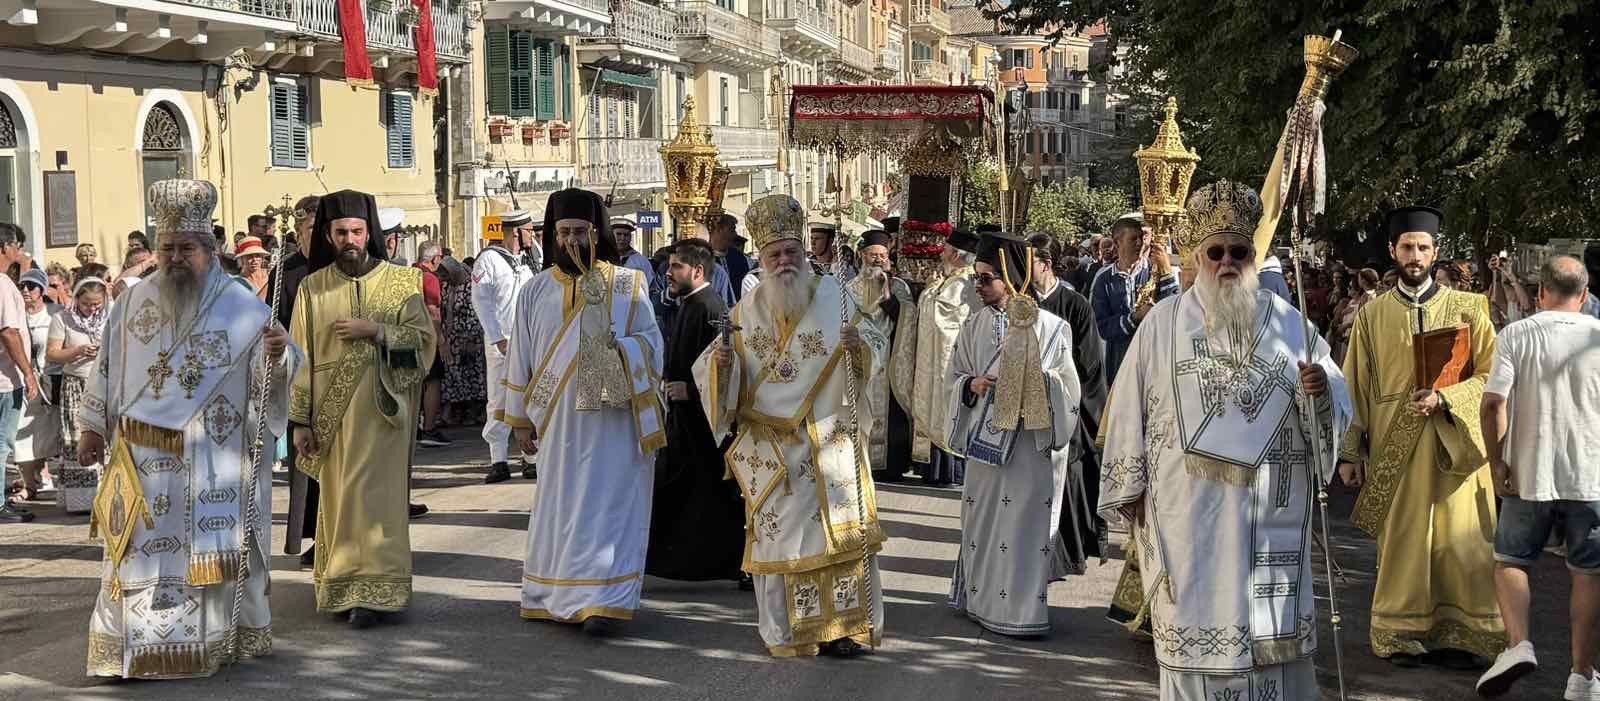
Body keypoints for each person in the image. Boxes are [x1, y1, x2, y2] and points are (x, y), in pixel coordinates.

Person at [1097, 181, 1351, 700]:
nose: (1228, 262)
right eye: (1217, 253)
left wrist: (1321, 391)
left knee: (1268, 649)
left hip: (1267, 515)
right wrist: (1131, 488)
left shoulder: (1289, 324)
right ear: (1199, 256)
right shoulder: (1162, 325)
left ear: (1253, 258)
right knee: (1195, 636)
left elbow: (1333, 397)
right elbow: (1126, 411)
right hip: (1187, 516)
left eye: (1240, 252)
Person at [78, 179, 298, 678]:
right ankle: (131, 654)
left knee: (205, 555)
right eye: (168, 248)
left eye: (187, 248)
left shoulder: (240, 305)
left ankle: (211, 644)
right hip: (141, 460)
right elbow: (106, 367)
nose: (176, 258)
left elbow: (273, 378)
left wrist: (278, 354)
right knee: (133, 554)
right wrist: (91, 426)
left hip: (210, 461)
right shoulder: (131, 302)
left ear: (209, 249)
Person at [693, 194, 889, 658]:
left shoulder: (835, 297)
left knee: (837, 538)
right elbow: (714, 376)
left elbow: (877, 345)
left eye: (791, 252)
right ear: (761, 260)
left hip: (829, 439)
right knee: (783, 542)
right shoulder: (744, 313)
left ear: (803, 252)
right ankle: (792, 632)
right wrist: (723, 366)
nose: (784, 261)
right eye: (774, 255)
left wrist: (859, 346)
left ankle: (844, 628)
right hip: (774, 451)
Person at [1338, 205, 1504, 668]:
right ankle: (1402, 633)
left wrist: (1446, 397)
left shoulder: (1470, 309)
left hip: (1457, 446)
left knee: (1463, 539)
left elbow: (1493, 376)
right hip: (1396, 445)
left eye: (1423, 248)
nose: (1415, 255)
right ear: (1393, 250)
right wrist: (1350, 452)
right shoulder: (1372, 315)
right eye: (1408, 247)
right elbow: (1355, 386)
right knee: (1404, 540)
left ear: (1436, 251)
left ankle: (1466, 636)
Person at [500, 188, 664, 634]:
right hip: (558, 425)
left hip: (614, 421)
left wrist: (622, 350)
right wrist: (519, 420)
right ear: (553, 237)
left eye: (580, 232)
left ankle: (603, 600)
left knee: (610, 507)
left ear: (596, 233)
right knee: (562, 507)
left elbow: (653, 345)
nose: (571, 241)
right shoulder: (535, 291)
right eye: (564, 233)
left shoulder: (628, 284)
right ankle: (555, 595)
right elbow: (520, 357)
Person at [288, 190, 435, 628]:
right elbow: (299, 357)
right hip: (333, 420)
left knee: (381, 505)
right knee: (341, 503)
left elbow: (424, 345)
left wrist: (377, 331)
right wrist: (299, 421)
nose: (349, 239)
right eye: (340, 232)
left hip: (386, 413)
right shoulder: (312, 288)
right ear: (328, 236)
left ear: (369, 233)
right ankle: (344, 588)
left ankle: (378, 592)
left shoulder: (403, 283)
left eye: (356, 231)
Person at [945, 230, 1084, 637]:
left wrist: (1036, 383)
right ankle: (979, 601)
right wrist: (971, 385)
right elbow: (954, 377)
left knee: (1024, 529)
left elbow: (1069, 387)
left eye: (986, 278)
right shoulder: (973, 326)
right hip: (985, 447)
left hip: (1030, 448)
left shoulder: (1053, 328)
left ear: (1012, 277)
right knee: (983, 526)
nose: (978, 285)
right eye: (976, 277)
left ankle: (1022, 612)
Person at [1474, 256, 1600, 699]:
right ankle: (1582, 675)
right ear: (1585, 295)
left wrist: (1497, 462)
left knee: (1511, 559)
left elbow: (1492, 403)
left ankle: (1518, 644)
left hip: (1529, 471)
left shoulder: (1517, 334)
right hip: (1590, 474)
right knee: (1589, 572)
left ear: (1541, 291)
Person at [645, 238, 744, 586]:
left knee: (706, 494)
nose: (668, 273)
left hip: (702, 423)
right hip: (684, 419)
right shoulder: (690, 303)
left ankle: (734, 564)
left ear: (698, 271)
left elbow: (726, 367)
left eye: (676, 267)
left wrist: (690, 388)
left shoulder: (710, 307)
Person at [1027, 234, 1109, 571]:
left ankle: (1066, 554)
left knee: (1068, 477)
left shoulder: (1076, 305)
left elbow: (1089, 364)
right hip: (1026, 409)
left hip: (1066, 408)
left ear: (1046, 264)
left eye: (1028, 261)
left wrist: (1057, 385)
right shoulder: (1021, 303)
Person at [267, 195, 320, 564]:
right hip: (300, 376)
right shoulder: (286, 273)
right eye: (310, 228)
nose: (316, 235)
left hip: (339, 375)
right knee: (305, 464)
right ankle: (314, 535)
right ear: (299, 232)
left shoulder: (340, 269)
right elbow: (275, 321)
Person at [845, 230, 916, 483]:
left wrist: (887, 297)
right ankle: (862, 462)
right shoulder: (850, 288)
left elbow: (909, 319)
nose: (877, 259)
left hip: (890, 358)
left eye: (882, 255)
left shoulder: (899, 287)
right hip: (862, 358)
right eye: (873, 255)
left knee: (891, 412)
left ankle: (892, 465)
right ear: (862, 256)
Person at [913, 230, 982, 488]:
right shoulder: (957, 279)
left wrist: (929, 291)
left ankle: (949, 471)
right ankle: (939, 469)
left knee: (946, 408)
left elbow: (941, 318)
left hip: (950, 359)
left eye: (945, 250)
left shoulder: (964, 282)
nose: (941, 254)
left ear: (955, 255)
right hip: (946, 359)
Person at [472, 210, 537, 483]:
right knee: (499, 400)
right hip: (502, 340)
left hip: (529, 340)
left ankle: (530, 459)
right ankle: (498, 459)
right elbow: (482, 302)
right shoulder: (488, 259)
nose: (533, 235)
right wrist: (497, 338)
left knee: (530, 398)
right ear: (516, 232)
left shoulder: (529, 260)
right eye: (529, 231)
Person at [1090, 214, 1179, 386]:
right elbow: (1101, 326)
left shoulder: (1155, 271)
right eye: (1133, 239)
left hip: (1155, 360)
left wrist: (1167, 272)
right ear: (1117, 243)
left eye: (1141, 238)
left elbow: (1173, 310)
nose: (1140, 243)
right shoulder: (1104, 280)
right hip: (1120, 362)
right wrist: (1134, 318)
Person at [10, 269, 61, 502]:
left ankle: (44, 477)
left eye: (31, 286)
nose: (26, 290)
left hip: (50, 382)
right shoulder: (15, 314)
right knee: (21, 432)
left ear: (42, 290)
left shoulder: (54, 313)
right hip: (22, 381)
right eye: (22, 286)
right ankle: (29, 484)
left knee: (48, 433)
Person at [0, 224, 39, 523]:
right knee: (2, 443)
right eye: (17, 245)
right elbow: (9, 332)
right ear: (5, 248)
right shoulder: (2, 284)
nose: (20, 251)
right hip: (5, 380)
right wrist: (27, 372)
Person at [47, 277, 105, 468]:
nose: (92, 309)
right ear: (77, 299)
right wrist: (78, 351)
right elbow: (52, 354)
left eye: (97, 304)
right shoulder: (63, 318)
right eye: (86, 304)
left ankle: (105, 482)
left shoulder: (109, 318)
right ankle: (79, 484)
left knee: (103, 435)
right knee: (77, 438)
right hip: (75, 385)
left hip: (103, 384)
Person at [413, 240, 452, 450]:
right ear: (436, 259)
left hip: (410, 335)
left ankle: (416, 428)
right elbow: (433, 311)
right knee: (433, 382)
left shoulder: (409, 273)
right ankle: (429, 428)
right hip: (427, 337)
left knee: (418, 383)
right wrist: (441, 340)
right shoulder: (429, 278)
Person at [442, 255, 486, 430]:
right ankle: (457, 411)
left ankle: (474, 411)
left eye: (446, 274)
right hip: (452, 338)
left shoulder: (470, 286)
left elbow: (474, 313)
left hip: (469, 338)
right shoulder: (448, 286)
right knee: (455, 374)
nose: (444, 277)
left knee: (472, 373)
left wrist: (470, 337)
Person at [709, 214, 753, 301]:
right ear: (718, 230)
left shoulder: (740, 258)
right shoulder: (704, 257)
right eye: (731, 230)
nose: (735, 234)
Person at [611, 217, 656, 289]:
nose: (622, 238)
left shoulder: (641, 261)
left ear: (630, 237)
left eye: (626, 235)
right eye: (618, 234)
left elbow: (651, 286)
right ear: (611, 235)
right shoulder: (603, 258)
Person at [234, 236, 271, 301]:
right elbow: (253, 304)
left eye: (257, 255)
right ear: (242, 259)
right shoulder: (238, 282)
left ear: (262, 257)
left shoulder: (271, 274)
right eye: (249, 256)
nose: (254, 260)